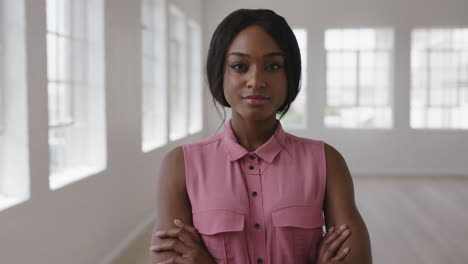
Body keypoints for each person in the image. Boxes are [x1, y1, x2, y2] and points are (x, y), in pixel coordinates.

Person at [150, 9, 372, 264]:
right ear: (219, 73)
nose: (255, 81)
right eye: (239, 66)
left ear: (290, 76)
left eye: (273, 66)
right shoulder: (181, 165)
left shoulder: (326, 162)